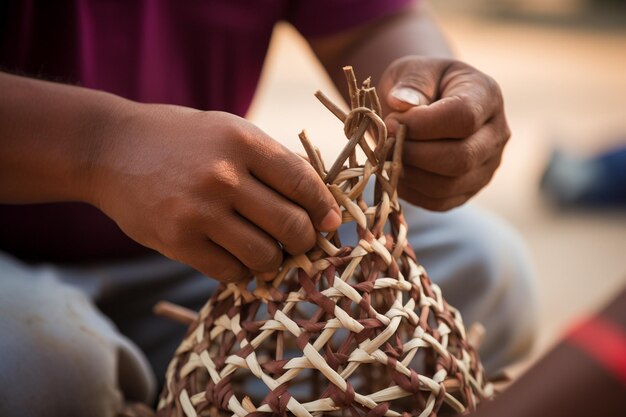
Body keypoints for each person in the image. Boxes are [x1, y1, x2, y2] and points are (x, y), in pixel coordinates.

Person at [0, 1, 537, 415]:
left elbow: (370, 22)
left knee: (486, 266)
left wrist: (429, 94)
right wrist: (99, 148)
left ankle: (204, 383)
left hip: (211, 243)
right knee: (43, 377)